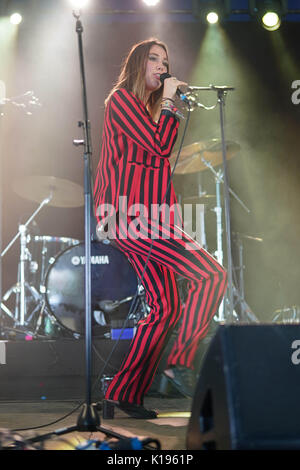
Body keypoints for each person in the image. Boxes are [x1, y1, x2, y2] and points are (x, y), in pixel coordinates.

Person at [93, 38, 227, 419]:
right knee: (211, 276)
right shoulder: (121, 100)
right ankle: (180, 361)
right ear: (138, 63)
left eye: (165, 61)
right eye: (154, 58)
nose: (161, 65)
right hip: (133, 217)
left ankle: (122, 392)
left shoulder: (150, 112)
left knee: (165, 307)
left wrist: (167, 105)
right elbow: (158, 144)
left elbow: (161, 147)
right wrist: (169, 100)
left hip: (154, 218)